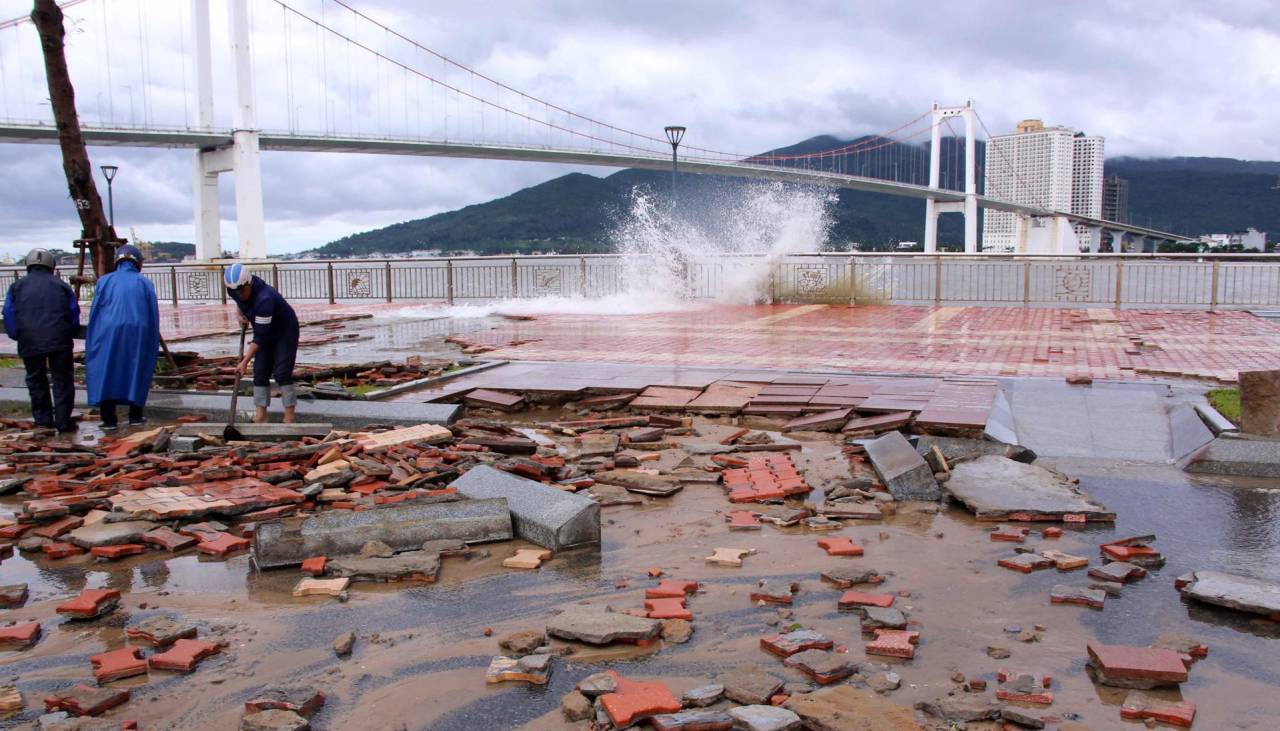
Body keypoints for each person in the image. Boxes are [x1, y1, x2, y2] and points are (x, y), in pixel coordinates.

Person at [3, 248, 80, 432]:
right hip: (59, 339)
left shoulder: (17, 287)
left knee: (36, 380)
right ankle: (63, 421)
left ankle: (42, 420)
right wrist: (69, 332)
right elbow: (73, 313)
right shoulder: (62, 286)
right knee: (62, 380)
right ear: (51, 265)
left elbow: (9, 314)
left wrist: (17, 335)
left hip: (29, 340)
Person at [84, 245, 160, 430]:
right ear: (137, 262)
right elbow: (152, 314)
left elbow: (95, 312)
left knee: (106, 370)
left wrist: (93, 338)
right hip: (137, 332)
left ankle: (109, 418)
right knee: (137, 370)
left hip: (107, 332)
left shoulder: (104, 281)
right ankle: (135, 415)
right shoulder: (144, 283)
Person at [224, 262, 300, 423]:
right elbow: (239, 302)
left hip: (284, 331)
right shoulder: (235, 290)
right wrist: (239, 316)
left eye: (241, 291)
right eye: (234, 292)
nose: (239, 295)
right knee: (260, 371)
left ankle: (289, 417)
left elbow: (260, 337)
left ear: (249, 283)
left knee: (281, 372)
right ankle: (260, 416)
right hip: (264, 330)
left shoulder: (265, 299)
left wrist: (244, 362)